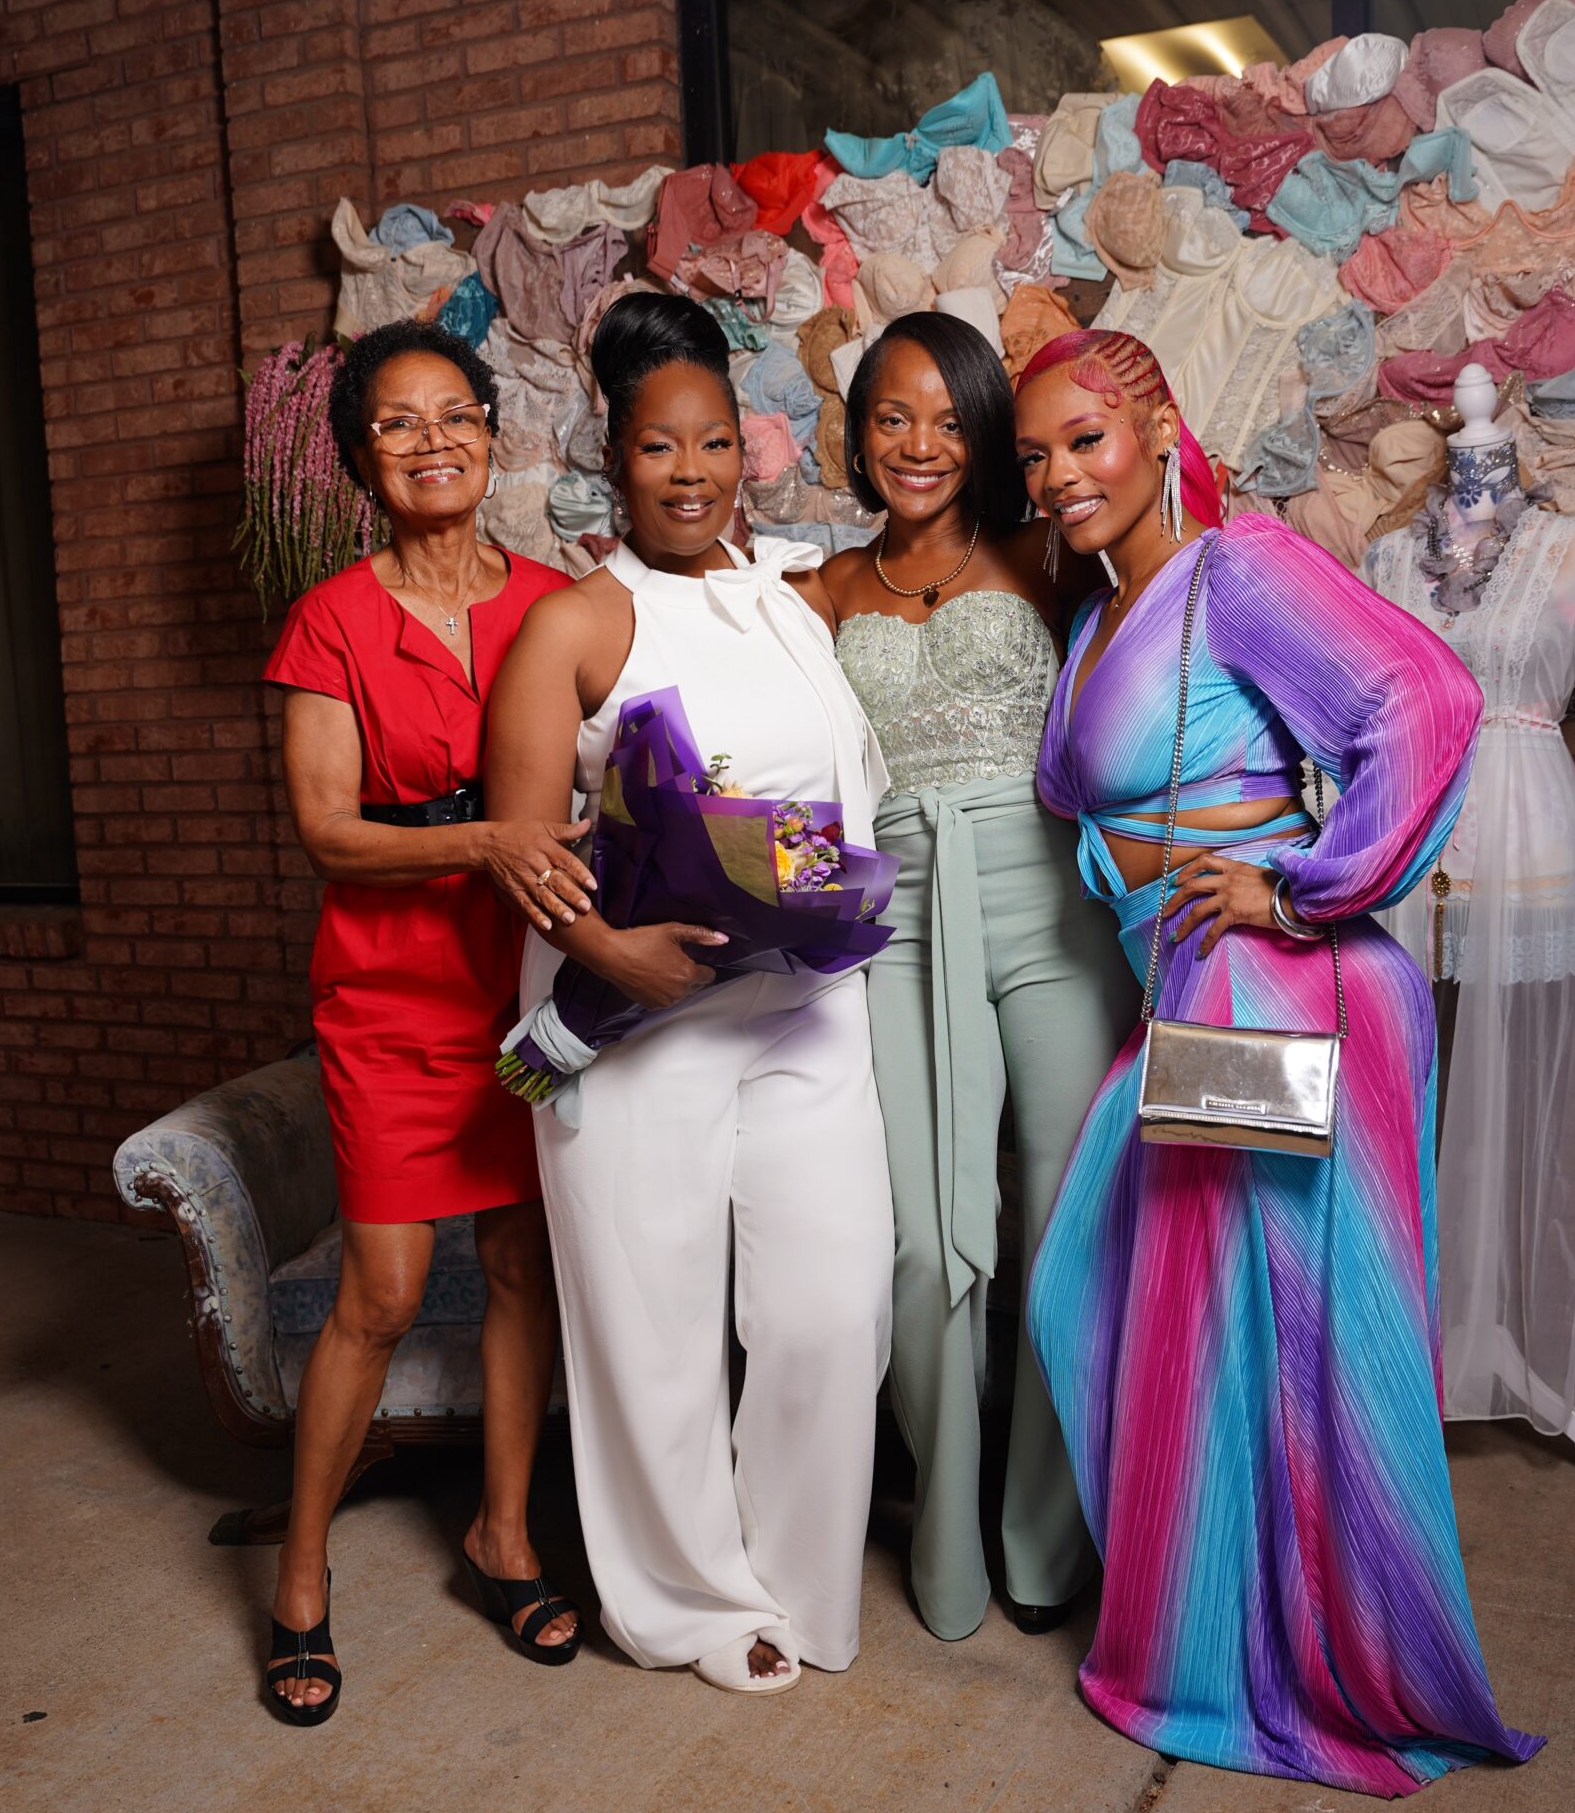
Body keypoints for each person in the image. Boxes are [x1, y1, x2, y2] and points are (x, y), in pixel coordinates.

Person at [1016, 326, 1543, 1797]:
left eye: (1084, 439)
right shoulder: (1103, 611)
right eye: (1036, 455)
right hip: (1192, 993)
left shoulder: (1235, 568)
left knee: (1282, 1340)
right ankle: (1212, 1635)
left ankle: (1279, 1665)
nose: (1057, 475)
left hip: (1275, 990)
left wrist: (1302, 886)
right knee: (1117, 1304)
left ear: (1156, 428)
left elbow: (1424, 700)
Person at [484, 291, 893, 1697]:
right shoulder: (577, 624)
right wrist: (614, 958)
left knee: (833, 1305)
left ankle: (796, 1575)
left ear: (747, 447)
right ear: (614, 455)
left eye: (712, 441)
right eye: (658, 447)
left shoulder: (791, 596)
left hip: (806, 1007)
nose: (689, 472)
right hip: (638, 1020)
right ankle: (689, 1605)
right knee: (649, 1326)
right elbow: (520, 847)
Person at [260, 320, 593, 1725]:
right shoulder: (330, 619)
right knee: (386, 1294)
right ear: (361, 461)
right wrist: (487, 843)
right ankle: (298, 1573)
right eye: (397, 424)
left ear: (494, 437)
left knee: (522, 1265)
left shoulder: (561, 605)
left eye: (454, 414)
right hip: (389, 991)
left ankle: (503, 1536)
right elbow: (329, 834)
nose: (432, 440)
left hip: (529, 983)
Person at [808, 312, 1135, 1640]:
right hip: (898, 913)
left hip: (1048, 902)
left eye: (950, 419)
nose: (919, 444)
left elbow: (1160, 656)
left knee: (1063, 1219)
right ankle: (945, 1534)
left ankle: (1044, 1544)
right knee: (920, 1235)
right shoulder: (822, 590)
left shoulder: (1050, 553)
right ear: (858, 435)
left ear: (990, 434)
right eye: (892, 417)